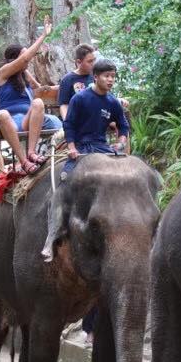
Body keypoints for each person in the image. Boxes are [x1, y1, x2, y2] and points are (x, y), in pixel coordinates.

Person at [41, 58, 130, 262]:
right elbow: (69, 125)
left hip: (102, 147)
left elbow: (123, 126)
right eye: (107, 76)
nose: (110, 80)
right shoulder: (79, 98)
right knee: (63, 183)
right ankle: (52, 236)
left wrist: (121, 142)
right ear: (96, 77)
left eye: (113, 77)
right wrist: (72, 148)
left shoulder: (112, 102)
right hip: (80, 147)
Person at [0, 18, 61, 174]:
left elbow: (43, 90)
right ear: (14, 59)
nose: (29, 60)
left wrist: (65, 85)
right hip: (8, 121)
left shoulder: (24, 75)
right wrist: (44, 35)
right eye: (25, 56)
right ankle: (23, 161)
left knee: (38, 102)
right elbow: (25, 58)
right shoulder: (3, 72)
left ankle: (32, 152)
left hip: (26, 120)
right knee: (2, 114)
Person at [58, 43, 97, 119]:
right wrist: (67, 123)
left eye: (94, 60)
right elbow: (64, 105)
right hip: (77, 119)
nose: (93, 64)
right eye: (90, 61)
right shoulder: (68, 79)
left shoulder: (96, 76)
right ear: (79, 62)